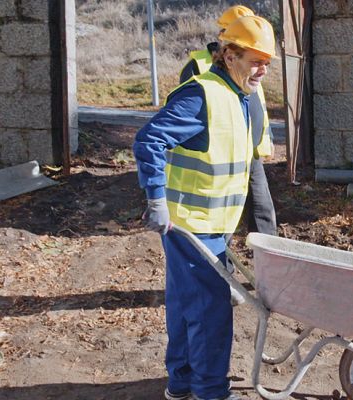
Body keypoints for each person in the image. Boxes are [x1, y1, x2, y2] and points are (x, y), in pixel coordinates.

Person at [133, 15, 278, 400]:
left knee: (186, 304)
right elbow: (149, 141)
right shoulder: (202, 95)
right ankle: (211, 392)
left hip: (208, 225)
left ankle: (181, 383)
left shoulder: (237, 95)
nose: (263, 69)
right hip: (191, 226)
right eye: (255, 59)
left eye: (267, 61)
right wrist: (155, 199)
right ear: (229, 55)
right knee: (211, 312)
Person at [180, 5, 277, 237]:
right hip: (220, 155)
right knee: (223, 216)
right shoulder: (200, 66)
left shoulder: (252, 60)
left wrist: (267, 138)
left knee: (262, 210)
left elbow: (257, 105)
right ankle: (223, 257)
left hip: (249, 151)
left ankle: (269, 260)